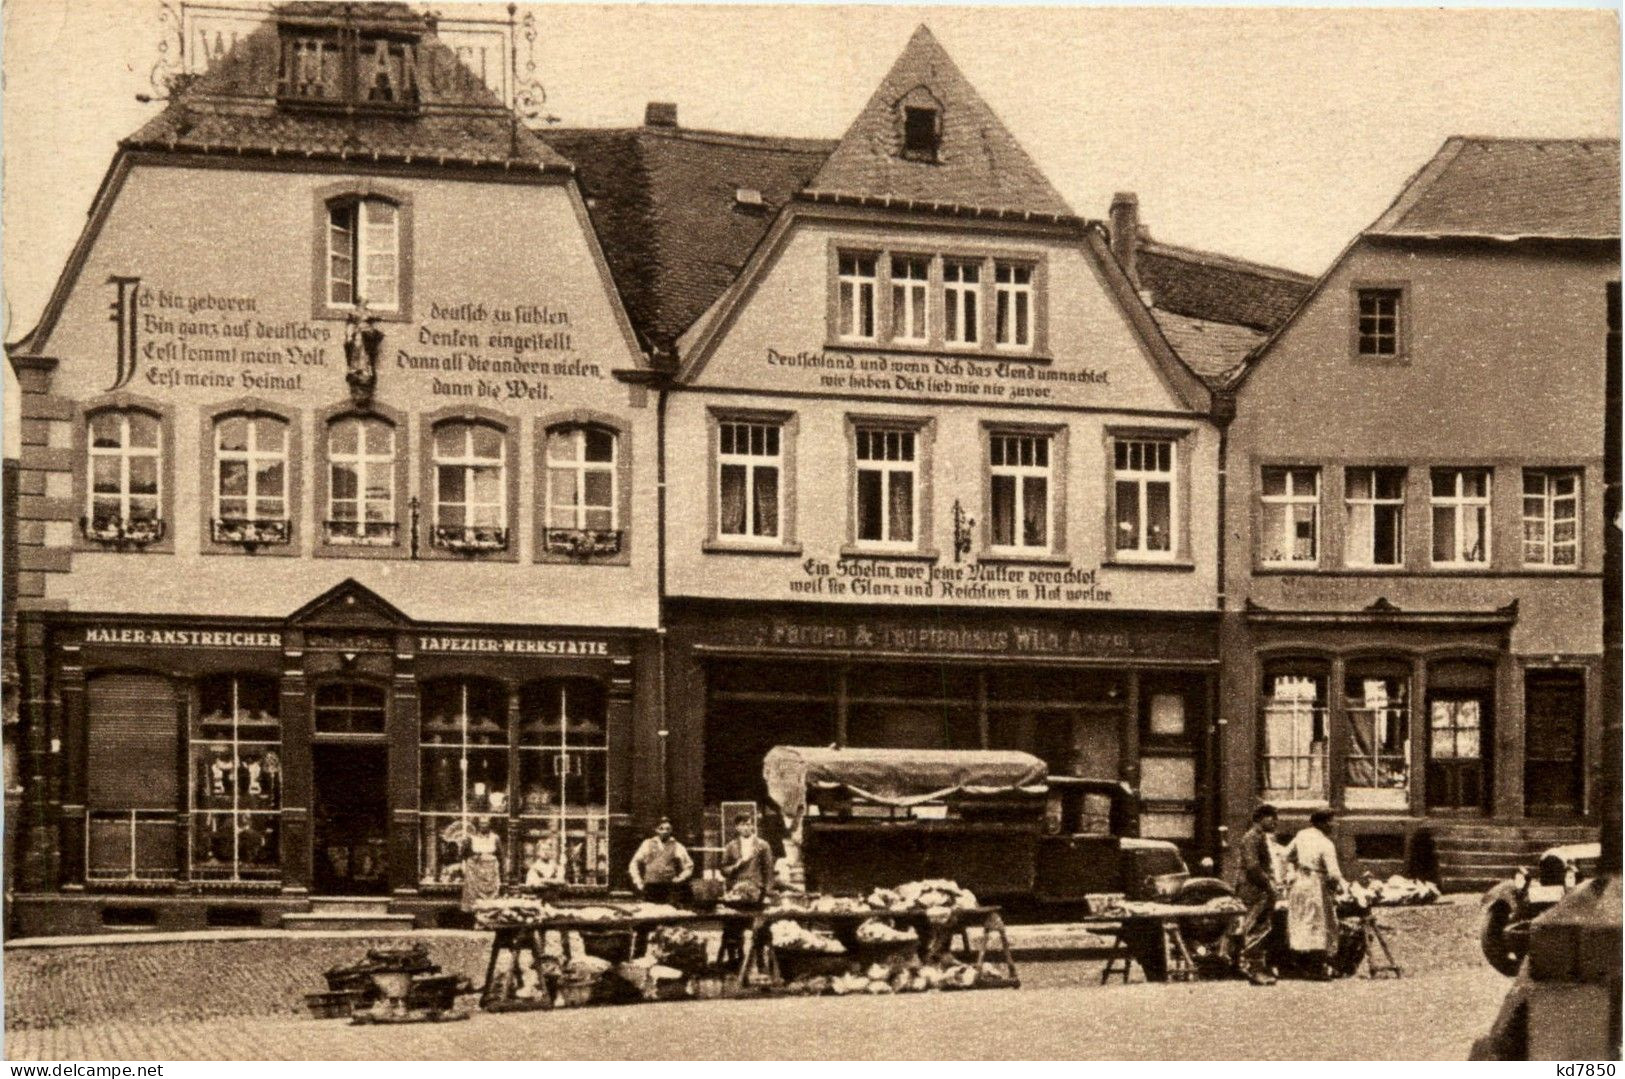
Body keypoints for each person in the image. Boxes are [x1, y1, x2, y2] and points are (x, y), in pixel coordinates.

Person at [1285, 808, 1344, 977]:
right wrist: (1339, 888)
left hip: (1299, 883)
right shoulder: (1326, 844)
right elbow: (1334, 874)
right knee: (1318, 923)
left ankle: (1298, 964)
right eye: (1331, 821)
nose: (1334, 824)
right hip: (1316, 885)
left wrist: (1292, 872)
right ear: (1322, 823)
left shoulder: (1301, 835)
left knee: (1300, 921)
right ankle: (1315, 968)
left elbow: (1287, 855)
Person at [1233, 803, 1280, 985]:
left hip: (1257, 888)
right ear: (1261, 819)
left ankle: (1255, 967)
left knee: (1260, 926)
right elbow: (1253, 867)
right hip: (1254, 889)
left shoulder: (1258, 837)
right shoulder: (1252, 838)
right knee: (1256, 927)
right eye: (1272, 817)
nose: (1276, 822)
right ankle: (1253, 968)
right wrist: (1269, 885)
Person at [628, 818, 693, 904]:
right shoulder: (647, 843)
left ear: (671, 830)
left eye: (668, 829)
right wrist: (638, 881)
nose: (664, 831)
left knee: (668, 913)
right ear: (656, 830)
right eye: (661, 829)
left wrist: (680, 878)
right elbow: (634, 863)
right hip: (650, 887)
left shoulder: (677, 846)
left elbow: (689, 865)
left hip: (669, 888)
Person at [460, 816, 503, 912]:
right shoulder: (471, 838)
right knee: (474, 897)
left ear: (489, 824)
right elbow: (463, 854)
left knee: (491, 899)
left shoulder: (495, 838)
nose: (484, 826)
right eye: (481, 823)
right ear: (478, 825)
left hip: (491, 873)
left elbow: (500, 856)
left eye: (486, 823)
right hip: (476, 872)